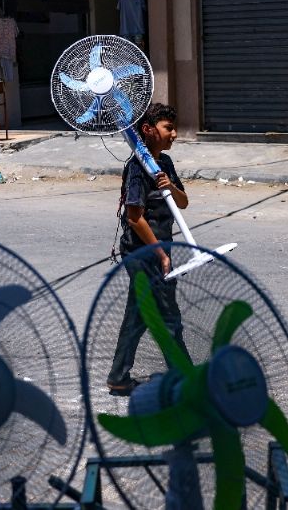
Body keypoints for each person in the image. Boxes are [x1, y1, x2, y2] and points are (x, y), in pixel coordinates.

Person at [107, 103, 189, 396]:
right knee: (168, 314)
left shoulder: (163, 164)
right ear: (148, 130)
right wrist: (161, 254)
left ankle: (118, 376)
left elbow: (182, 203)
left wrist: (171, 186)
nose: (174, 134)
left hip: (158, 249)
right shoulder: (137, 169)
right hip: (142, 253)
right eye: (168, 128)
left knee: (140, 312)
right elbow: (134, 217)